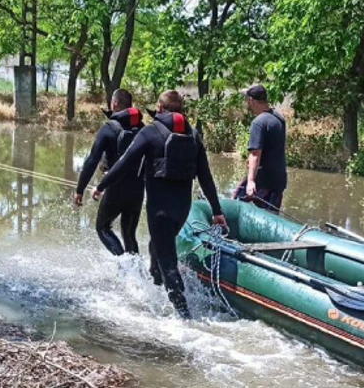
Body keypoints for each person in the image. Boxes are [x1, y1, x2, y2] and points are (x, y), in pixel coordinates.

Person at [93, 90, 227, 319]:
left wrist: (102, 185)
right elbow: (206, 177)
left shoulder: (150, 132)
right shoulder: (194, 136)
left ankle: (184, 319)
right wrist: (217, 211)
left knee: (168, 262)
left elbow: (124, 163)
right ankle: (154, 291)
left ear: (160, 109)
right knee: (156, 249)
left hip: (159, 211)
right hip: (181, 210)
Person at [74, 89, 144, 255]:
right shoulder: (143, 129)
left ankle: (124, 266)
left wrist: (80, 189)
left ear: (114, 104)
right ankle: (138, 273)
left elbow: (91, 161)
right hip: (138, 188)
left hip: (115, 186)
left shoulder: (109, 128)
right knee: (129, 234)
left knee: (103, 228)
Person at [232, 84, 288, 214]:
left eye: (246, 100)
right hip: (279, 179)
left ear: (251, 101)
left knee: (235, 204)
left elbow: (255, 154)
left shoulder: (259, 122)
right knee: (271, 217)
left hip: (262, 180)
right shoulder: (279, 118)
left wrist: (251, 181)